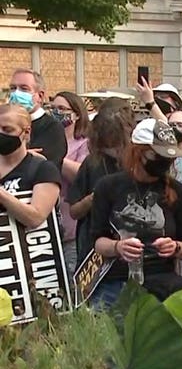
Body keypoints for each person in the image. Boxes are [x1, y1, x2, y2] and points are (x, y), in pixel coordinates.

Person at [89, 118, 182, 305]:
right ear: (137, 152)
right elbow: (97, 241)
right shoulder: (108, 187)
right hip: (116, 281)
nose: (163, 162)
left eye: (168, 158)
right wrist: (118, 247)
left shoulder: (180, 193)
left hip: (162, 282)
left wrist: (175, 247)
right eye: (157, 156)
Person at [67, 99, 135, 263]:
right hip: (93, 253)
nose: (113, 151)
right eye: (108, 145)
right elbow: (74, 211)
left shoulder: (138, 163)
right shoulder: (92, 163)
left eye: (117, 144)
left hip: (131, 250)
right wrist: (92, 199)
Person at [0, 104, 61, 231]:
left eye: (7, 129)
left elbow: (35, 218)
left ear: (26, 132)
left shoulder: (42, 169)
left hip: (30, 247)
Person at [51, 91, 90, 276]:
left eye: (62, 109)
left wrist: (56, 158)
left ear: (76, 114)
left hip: (71, 226)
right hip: (48, 224)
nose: (56, 113)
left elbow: (81, 175)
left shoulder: (84, 144)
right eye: (53, 108)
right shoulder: (47, 139)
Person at [7, 69, 67, 169]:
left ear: (40, 96)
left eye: (24, 89)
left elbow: (42, 164)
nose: (16, 93)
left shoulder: (52, 127)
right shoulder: (4, 123)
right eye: (13, 88)